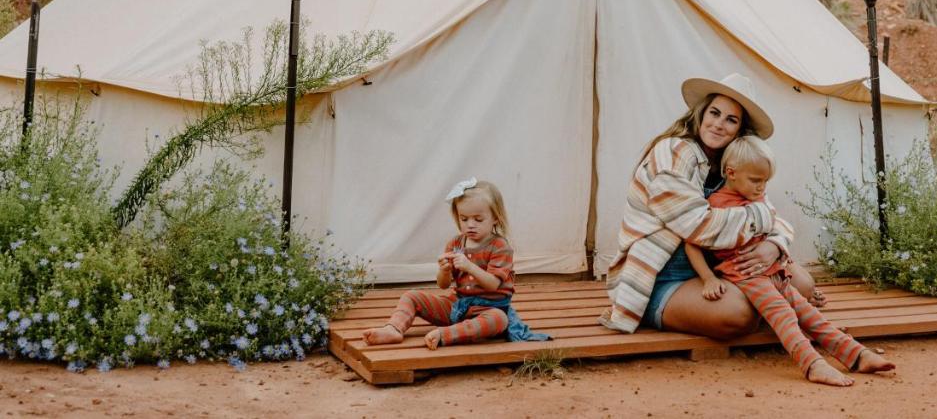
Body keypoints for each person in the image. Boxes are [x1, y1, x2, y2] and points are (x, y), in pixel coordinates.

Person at [601, 73, 826, 337]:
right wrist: (762, 217)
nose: (719, 124)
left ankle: (759, 303)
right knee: (739, 315)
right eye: (714, 113)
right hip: (661, 276)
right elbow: (699, 226)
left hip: (717, 267)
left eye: (731, 120)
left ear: (740, 130)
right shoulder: (673, 152)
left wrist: (773, 245)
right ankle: (651, 310)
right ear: (701, 114)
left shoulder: (732, 164)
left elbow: (771, 214)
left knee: (804, 285)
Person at [685, 135, 895, 386]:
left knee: (809, 314)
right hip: (745, 273)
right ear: (731, 172)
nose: (761, 187)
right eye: (755, 180)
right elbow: (692, 242)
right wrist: (707, 278)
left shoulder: (754, 200)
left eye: (765, 181)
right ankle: (812, 364)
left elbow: (773, 227)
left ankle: (856, 355)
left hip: (773, 271)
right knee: (783, 313)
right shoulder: (717, 206)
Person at [362, 178, 549, 349]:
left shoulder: (500, 246)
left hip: (489, 308)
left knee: (499, 320)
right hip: (458, 305)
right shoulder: (456, 243)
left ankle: (446, 334)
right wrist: (444, 270)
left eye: (478, 219)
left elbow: (493, 284)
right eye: (464, 219)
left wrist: (469, 266)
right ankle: (394, 328)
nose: (470, 225)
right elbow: (443, 285)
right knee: (411, 296)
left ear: (495, 219)